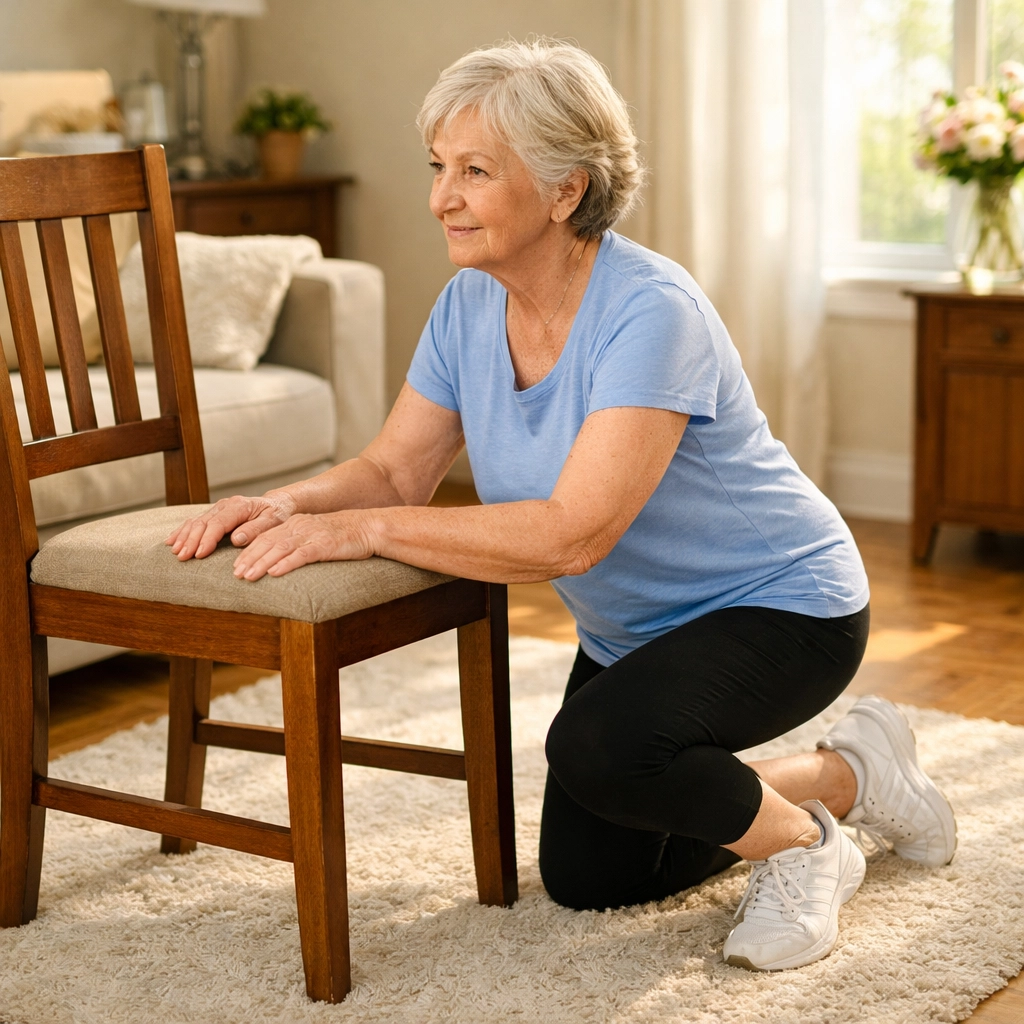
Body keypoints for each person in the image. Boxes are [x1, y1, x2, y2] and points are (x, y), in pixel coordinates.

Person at [167, 38, 957, 972]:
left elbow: (574, 535)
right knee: (594, 873)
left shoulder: (650, 310)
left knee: (597, 747)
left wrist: (367, 530)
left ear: (566, 190)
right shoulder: (467, 305)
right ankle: (854, 777)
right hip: (638, 633)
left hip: (783, 606)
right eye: (438, 168)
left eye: (474, 172)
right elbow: (392, 473)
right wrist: (280, 503)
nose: (440, 197)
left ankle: (804, 850)